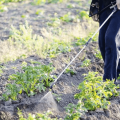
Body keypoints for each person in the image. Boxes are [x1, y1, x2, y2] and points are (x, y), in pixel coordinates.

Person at [89, 0, 120, 83]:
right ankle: (118, 71)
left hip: (118, 6)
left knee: (111, 38)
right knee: (102, 42)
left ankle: (108, 81)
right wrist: (94, 5)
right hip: (104, 5)